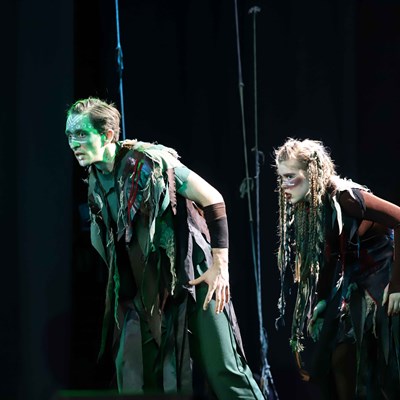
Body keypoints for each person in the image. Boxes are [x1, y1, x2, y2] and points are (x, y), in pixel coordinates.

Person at [65, 97, 265, 399]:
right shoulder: (96, 180)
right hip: (152, 294)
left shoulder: (150, 162)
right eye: (70, 135)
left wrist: (220, 267)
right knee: (137, 373)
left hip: (195, 277)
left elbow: (212, 198)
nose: (73, 143)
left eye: (81, 134)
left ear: (107, 135)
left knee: (225, 370)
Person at [274, 138, 400, 399]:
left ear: (311, 173)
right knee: (338, 360)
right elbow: (331, 256)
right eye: (281, 178)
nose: (284, 185)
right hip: (358, 283)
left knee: (385, 366)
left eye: (290, 176)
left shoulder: (346, 198)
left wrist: (398, 285)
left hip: (385, 278)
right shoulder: (317, 205)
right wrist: (321, 302)